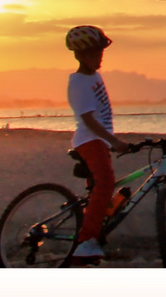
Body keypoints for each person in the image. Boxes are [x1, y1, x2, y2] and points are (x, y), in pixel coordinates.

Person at [65, 25, 131, 266]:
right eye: (94, 52)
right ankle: (85, 241)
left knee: (99, 192)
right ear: (79, 55)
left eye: (101, 52)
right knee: (106, 182)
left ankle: (91, 242)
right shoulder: (79, 82)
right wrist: (114, 141)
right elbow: (89, 120)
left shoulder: (94, 76)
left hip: (100, 141)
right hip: (89, 140)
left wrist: (111, 141)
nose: (99, 56)